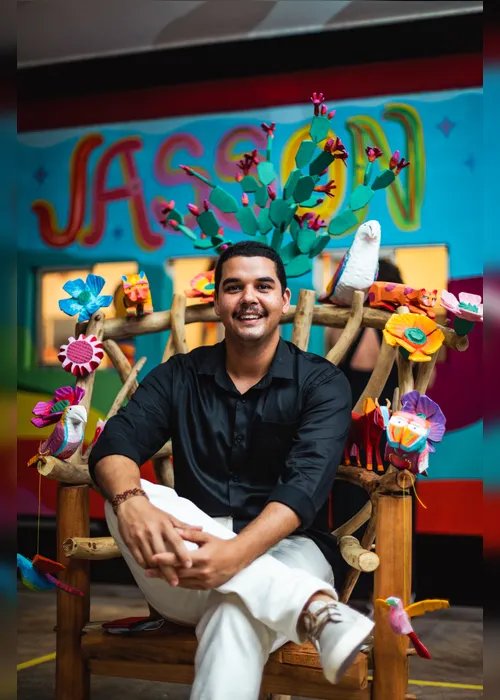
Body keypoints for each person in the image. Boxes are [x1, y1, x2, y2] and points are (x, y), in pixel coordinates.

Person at [89, 241, 374, 700]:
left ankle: (312, 608)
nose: (249, 298)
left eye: (263, 286)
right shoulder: (178, 375)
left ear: (284, 299)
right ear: (218, 301)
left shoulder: (321, 383)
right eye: (234, 287)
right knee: (125, 491)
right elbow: (115, 443)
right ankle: (318, 612)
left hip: (293, 554)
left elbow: (304, 486)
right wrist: (130, 503)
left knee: (233, 612)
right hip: (187, 562)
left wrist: (236, 555)